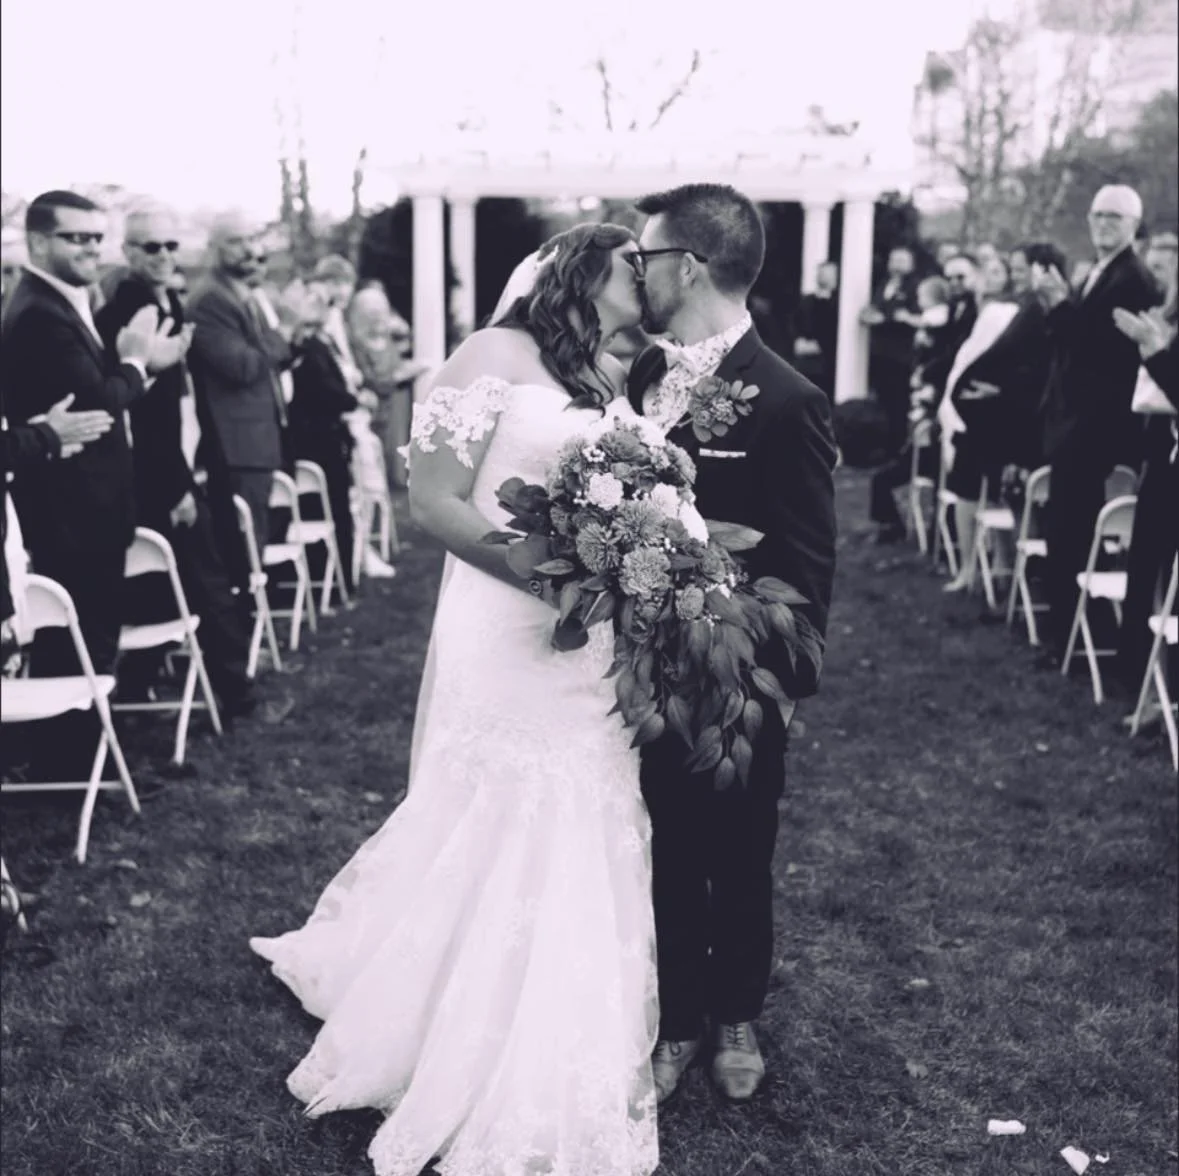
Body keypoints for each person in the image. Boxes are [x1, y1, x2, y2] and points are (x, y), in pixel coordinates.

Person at [250, 223, 662, 1176]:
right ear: (579, 275)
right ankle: (446, 1007)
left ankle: (562, 997)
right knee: (507, 795)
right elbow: (434, 499)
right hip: (509, 616)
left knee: (588, 793)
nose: (645, 281)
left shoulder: (600, 371)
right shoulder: (488, 355)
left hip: (585, 631)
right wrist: (545, 574)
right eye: (630, 266)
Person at [627, 183, 837, 1103]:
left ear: (687, 266)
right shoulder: (633, 378)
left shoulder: (788, 400)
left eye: (644, 258)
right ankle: (676, 1020)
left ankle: (737, 1012)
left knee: (739, 854)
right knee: (662, 848)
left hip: (736, 674)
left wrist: (779, 687)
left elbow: (808, 561)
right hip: (634, 665)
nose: (635, 273)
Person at [1, 190, 183, 777]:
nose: (91, 249)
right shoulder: (38, 312)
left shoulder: (58, 300)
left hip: (86, 505)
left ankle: (76, 767)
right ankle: (74, 774)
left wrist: (130, 373)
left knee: (86, 641)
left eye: (97, 238)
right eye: (76, 237)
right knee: (81, 644)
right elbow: (101, 402)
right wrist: (137, 362)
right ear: (37, 242)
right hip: (72, 510)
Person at [95, 205, 257, 719]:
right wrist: (177, 485)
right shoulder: (129, 312)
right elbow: (143, 418)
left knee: (181, 583)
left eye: (170, 246)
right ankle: (236, 696)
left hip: (194, 463)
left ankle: (140, 684)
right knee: (209, 586)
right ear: (128, 251)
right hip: (164, 477)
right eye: (151, 247)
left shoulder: (168, 303)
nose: (164, 255)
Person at [1033, 184, 1158, 661]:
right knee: (1064, 531)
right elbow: (1071, 344)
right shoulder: (1099, 270)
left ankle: (1069, 637)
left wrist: (1059, 305)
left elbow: (1099, 356)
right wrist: (1058, 307)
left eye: (1115, 217)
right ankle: (1066, 632)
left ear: (1133, 225)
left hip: (1096, 429)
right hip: (1073, 423)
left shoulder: (1133, 279)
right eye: (1098, 214)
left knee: (1072, 533)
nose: (1104, 223)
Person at [187, 212, 292, 562]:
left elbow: (265, 359)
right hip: (237, 447)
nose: (249, 249)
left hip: (257, 442)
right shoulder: (210, 300)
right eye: (235, 241)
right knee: (244, 551)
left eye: (252, 239)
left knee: (257, 543)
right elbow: (244, 367)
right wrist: (284, 331)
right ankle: (249, 598)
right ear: (213, 248)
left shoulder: (241, 294)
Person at [1114, 252, 1177, 702]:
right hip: (1161, 459)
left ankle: (1164, 692)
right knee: (1147, 574)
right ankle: (1145, 683)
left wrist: (1156, 354)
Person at [937, 252, 1019, 590]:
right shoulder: (973, 309)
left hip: (998, 411)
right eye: (988, 271)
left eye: (999, 271)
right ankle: (967, 567)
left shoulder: (1013, 311)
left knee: (999, 491)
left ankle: (1002, 564)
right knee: (965, 489)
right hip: (970, 412)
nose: (991, 276)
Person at [286, 278, 361, 594]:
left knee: (333, 509)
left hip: (323, 436)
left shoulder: (320, 343)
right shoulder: (308, 348)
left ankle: (338, 575)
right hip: (318, 440)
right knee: (331, 509)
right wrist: (353, 399)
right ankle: (337, 579)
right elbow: (326, 392)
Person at [860, 246, 919, 455]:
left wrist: (885, 319)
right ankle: (883, 446)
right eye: (893, 260)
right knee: (882, 399)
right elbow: (874, 308)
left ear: (911, 264)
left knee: (898, 403)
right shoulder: (883, 284)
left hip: (900, 355)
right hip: (880, 352)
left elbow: (911, 315)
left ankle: (897, 449)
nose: (896, 265)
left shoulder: (914, 287)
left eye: (902, 260)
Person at [793, 259, 838, 399]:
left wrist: (820, 345)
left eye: (828, 273)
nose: (823, 276)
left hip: (827, 362)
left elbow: (834, 330)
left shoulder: (839, 304)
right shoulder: (806, 300)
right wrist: (798, 341)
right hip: (804, 360)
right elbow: (795, 323)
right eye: (821, 273)